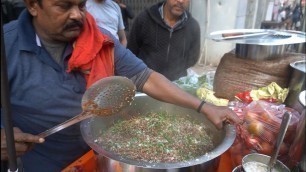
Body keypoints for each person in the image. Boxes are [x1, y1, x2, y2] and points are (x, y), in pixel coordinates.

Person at [1, 0, 242, 171]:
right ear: (33, 5)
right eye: (64, 6)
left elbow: (145, 77)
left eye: (82, 5)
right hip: (44, 162)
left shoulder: (101, 40)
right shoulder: (7, 46)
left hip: (98, 155)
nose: (77, 15)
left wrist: (203, 106)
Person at [127, 0, 201, 81]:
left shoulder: (193, 26)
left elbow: (193, 58)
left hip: (176, 85)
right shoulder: (144, 19)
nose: (181, 1)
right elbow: (131, 51)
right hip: (146, 84)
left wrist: (176, 71)